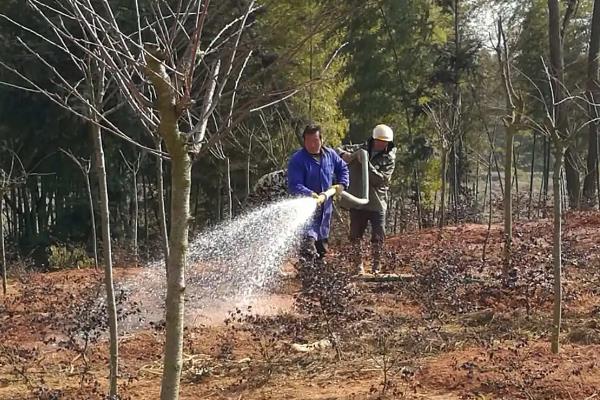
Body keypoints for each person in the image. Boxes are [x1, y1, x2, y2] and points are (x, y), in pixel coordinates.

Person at [338, 124, 396, 274]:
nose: (383, 144)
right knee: (355, 236)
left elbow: (380, 179)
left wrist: (365, 161)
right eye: (380, 141)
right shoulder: (361, 147)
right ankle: (358, 266)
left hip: (377, 203)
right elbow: (337, 151)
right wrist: (346, 156)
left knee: (378, 236)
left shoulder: (389, 158)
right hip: (358, 201)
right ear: (374, 139)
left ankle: (376, 266)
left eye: (385, 142)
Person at [288, 124, 349, 264]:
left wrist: (342, 184)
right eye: (308, 141)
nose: (312, 144)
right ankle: (308, 281)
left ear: (321, 140)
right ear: (304, 142)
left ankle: (319, 282)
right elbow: (294, 184)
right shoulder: (297, 160)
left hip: (325, 215)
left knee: (322, 255)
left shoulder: (330, 155)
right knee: (308, 252)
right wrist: (310, 194)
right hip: (306, 216)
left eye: (315, 140)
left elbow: (343, 168)